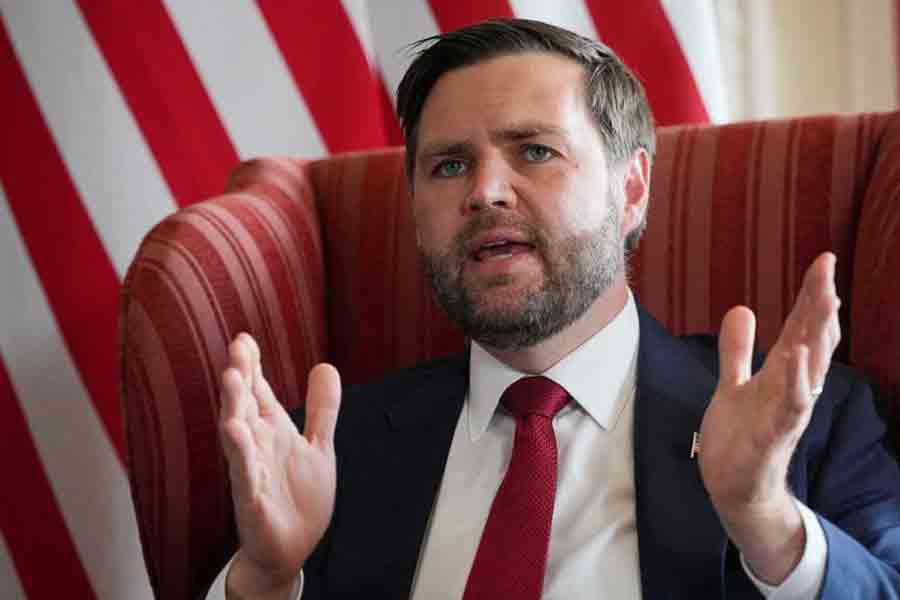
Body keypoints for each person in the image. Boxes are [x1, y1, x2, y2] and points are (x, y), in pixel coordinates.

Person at [207, 19, 900, 600]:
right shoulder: (328, 451)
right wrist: (265, 579)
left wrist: (766, 519)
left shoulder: (812, 422)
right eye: (448, 165)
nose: (485, 193)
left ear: (630, 189)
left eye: (535, 151)